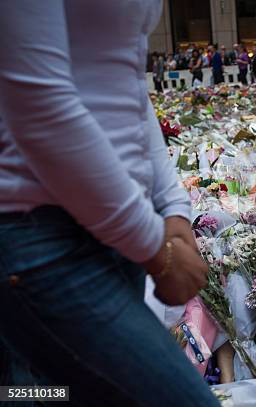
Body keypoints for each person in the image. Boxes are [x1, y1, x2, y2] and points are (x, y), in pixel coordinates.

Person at [0, 2, 220, 406]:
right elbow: (38, 98)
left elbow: (128, 82)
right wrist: (155, 247)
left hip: (113, 227)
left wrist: (173, 208)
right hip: (41, 232)